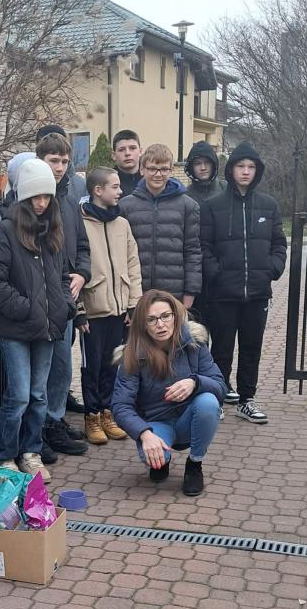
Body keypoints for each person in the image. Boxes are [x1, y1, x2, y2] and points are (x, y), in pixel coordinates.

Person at [0, 158, 76, 481]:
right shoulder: (4, 232)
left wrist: (64, 306)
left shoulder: (53, 231)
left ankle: (30, 452)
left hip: (48, 329)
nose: (41, 202)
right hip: (16, 329)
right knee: (19, 395)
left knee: (39, 395)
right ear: (23, 196)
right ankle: (3, 456)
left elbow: (63, 275)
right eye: (35, 196)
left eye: (46, 196)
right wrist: (27, 309)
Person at [200, 141, 287, 423]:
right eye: (241, 166)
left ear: (257, 170)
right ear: (231, 169)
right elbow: (203, 247)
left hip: (258, 294)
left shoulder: (269, 205)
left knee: (251, 349)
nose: (246, 171)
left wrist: (272, 269)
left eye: (251, 167)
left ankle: (247, 400)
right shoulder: (213, 206)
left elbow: (279, 244)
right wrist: (217, 273)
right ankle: (217, 398)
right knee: (221, 351)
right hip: (223, 294)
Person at [112, 290, 225, 496]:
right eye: (152, 319)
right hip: (156, 422)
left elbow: (220, 386)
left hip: (188, 419)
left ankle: (194, 465)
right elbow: (120, 406)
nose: (160, 324)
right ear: (143, 325)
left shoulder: (194, 343)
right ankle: (161, 458)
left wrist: (195, 382)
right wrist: (144, 434)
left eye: (165, 316)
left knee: (209, 402)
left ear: (175, 315)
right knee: (153, 459)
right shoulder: (132, 355)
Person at [36, 131, 91, 456]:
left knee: (62, 366)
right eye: (53, 161)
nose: (59, 167)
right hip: (40, 300)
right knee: (41, 370)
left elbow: (82, 245)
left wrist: (82, 274)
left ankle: (54, 421)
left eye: (64, 161)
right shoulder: (31, 200)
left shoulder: (70, 201)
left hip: (67, 298)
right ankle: (39, 429)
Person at [79, 167, 142, 444]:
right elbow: (73, 267)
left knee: (111, 364)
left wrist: (133, 305)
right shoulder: (80, 223)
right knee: (91, 366)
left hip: (119, 309)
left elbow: (133, 264)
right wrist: (79, 310)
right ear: (98, 190)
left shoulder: (122, 224)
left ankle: (108, 412)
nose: (120, 191)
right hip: (93, 309)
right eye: (115, 187)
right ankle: (91, 416)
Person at [119, 143, 201, 308]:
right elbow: (120, 254)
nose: (158, 174)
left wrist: (190, 293)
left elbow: (192, 251)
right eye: (152, 169)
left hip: (174, 294)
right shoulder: (125, 206)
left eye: (164, 169)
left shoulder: (188, 206)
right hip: (136, 294)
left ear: (171, 170)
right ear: (142, 169)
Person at [184, 141, 225, 329]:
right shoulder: (184, 196)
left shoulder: (225, 190)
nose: (202, 167)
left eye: (207, 162)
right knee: (196, 330)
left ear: (214, 164)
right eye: (197, 163)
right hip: (195, 270)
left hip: (222, 268)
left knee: (222, 331)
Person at [112, 129, 143, 198]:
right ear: (114, 155)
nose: (127, 153)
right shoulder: (107, 182)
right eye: (121, 150)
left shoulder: (150, 179)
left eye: (132, 148)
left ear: (140, 151)